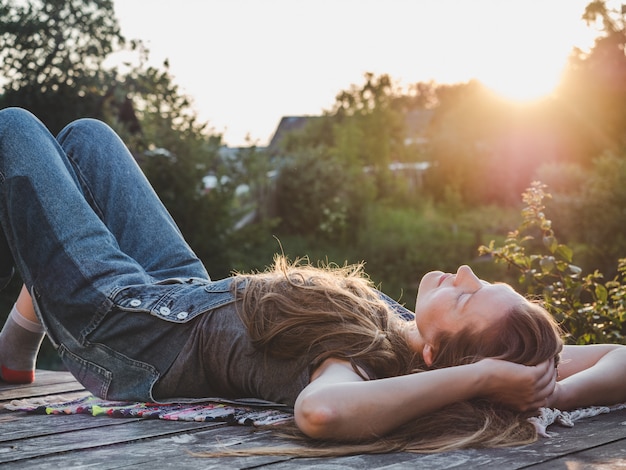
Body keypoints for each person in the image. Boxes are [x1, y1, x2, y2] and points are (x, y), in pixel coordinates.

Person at [0, 107, 624, 455]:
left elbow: (321, 412)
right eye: (478, 279)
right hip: (180, 291)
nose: (463, 272)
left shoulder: (363, 364)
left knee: (16, 130)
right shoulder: (407, 334)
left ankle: (35, 323)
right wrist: (549, 393)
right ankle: (17, 342)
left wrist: (487, 378)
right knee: (89, 139)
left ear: (440, 358)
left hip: (125, 326)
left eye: (465, 297)